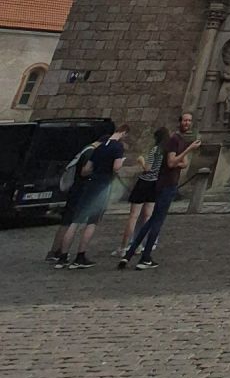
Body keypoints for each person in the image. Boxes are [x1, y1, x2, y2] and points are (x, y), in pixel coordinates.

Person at [120, 111, 201, 270]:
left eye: (189, 120)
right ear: (179, 122)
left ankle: (128, 255)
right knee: (157, 221)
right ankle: (145, 257)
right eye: (185, 120)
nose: (187, 123)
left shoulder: (177, 141)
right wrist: (190, 149)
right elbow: (172, 163)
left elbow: (183, 164)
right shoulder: (174, 141)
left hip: (165, 184)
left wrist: (181, 157)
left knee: (151, 220)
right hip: (166, 185)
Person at [54, 125, 132, 269]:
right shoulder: (117, 148)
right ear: (124, 133)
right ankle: (80, 256)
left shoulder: (99, 148)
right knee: (91, 222)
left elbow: (85, 171)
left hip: (89, 185)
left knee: (75, 222)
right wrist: (119, 163)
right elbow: (116, 167)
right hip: (101, 187)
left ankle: (62, 257)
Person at [46, 133, 107, 262]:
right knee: (70, 222)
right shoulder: (91, 152)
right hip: (79, 190)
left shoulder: (86, 149)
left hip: (75, 189)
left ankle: (55, 251)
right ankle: (59, 252)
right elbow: (84, 172)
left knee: (66, 221)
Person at [114, 127, 169, 255]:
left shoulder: (155, 150)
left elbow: (147, 168)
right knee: (147, 216)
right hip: (155, 184)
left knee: (133, 216)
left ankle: (124, 247)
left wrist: (141, 161)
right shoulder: (166, 152)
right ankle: (141, 245)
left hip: (145, 183)